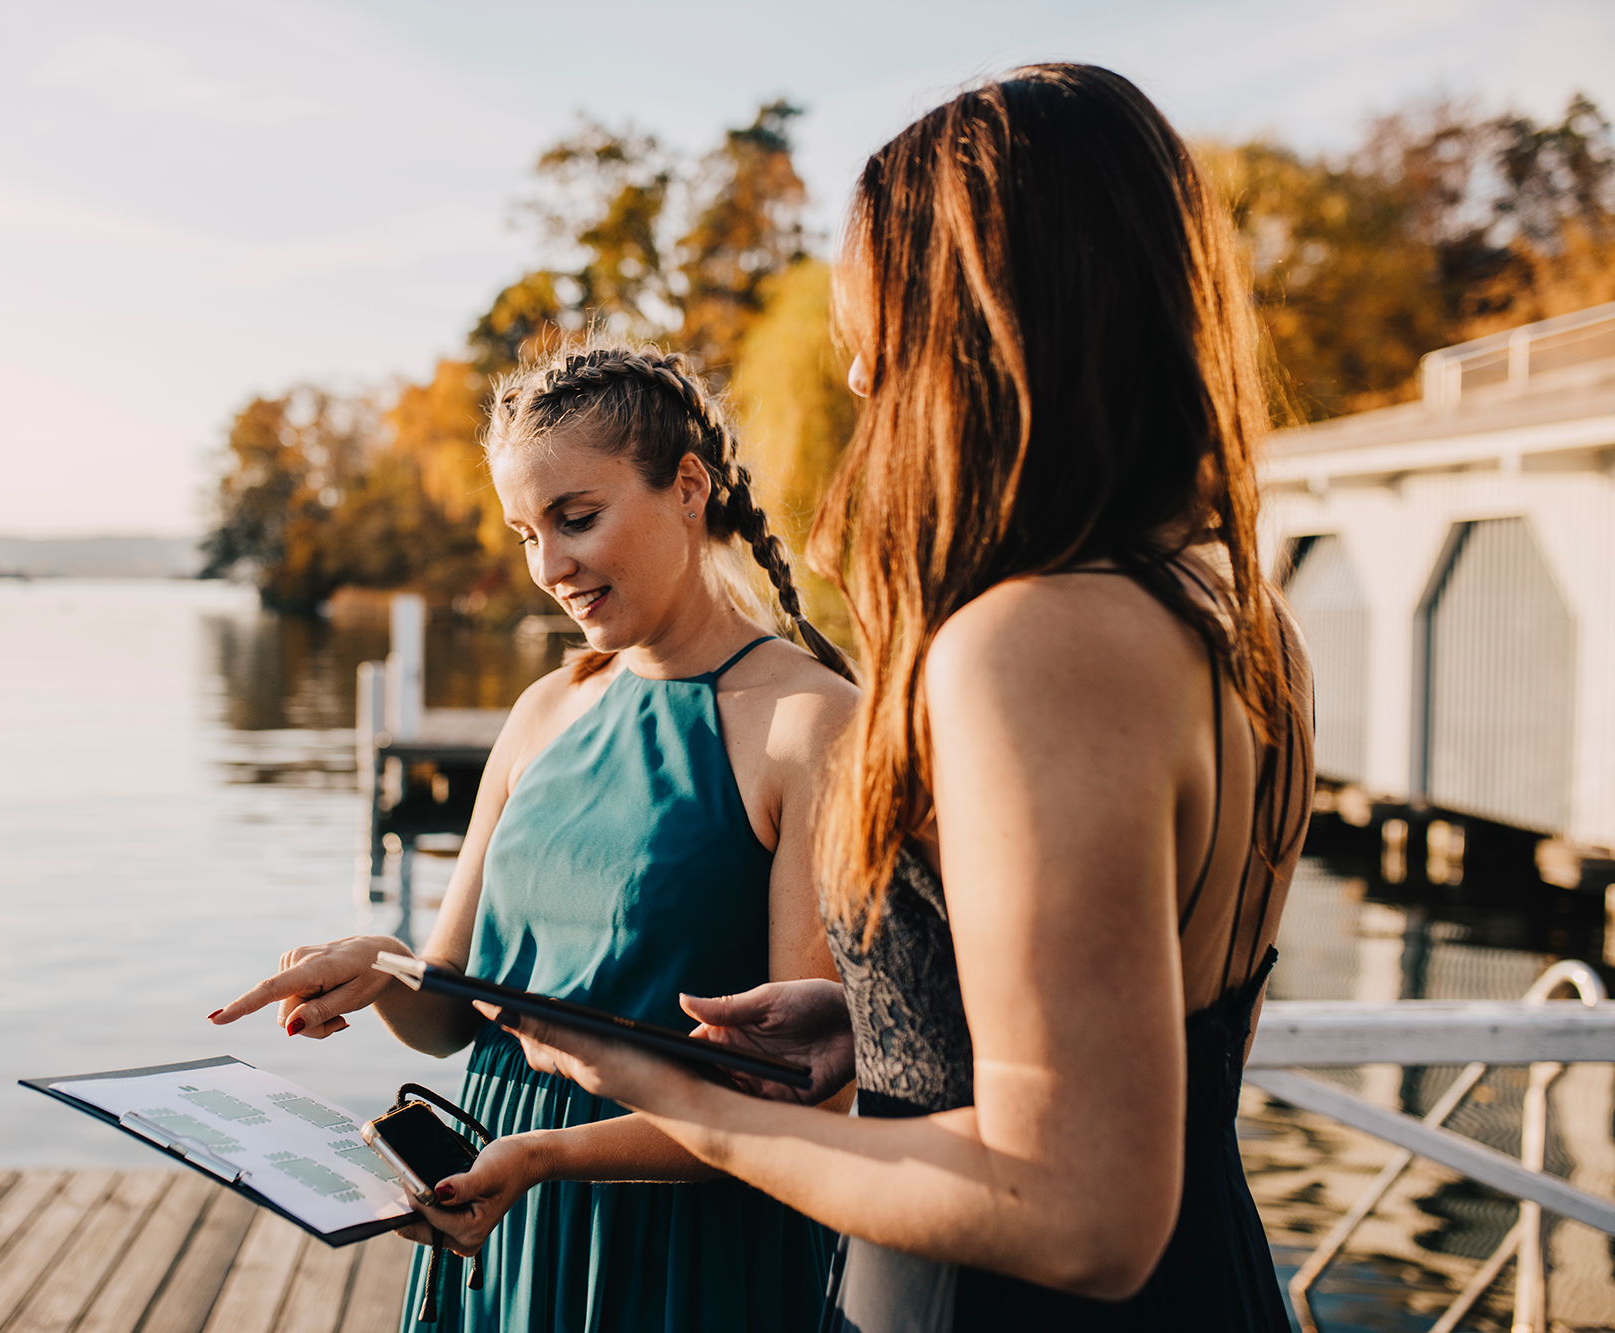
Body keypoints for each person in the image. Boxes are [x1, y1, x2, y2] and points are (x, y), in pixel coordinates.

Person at [467, 65, 1313, 1331]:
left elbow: (1078, 1209)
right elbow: (1153, 1043)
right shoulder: (1234, 614)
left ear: (989, 324)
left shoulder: (1030, 643)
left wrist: (680, 1095)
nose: (860, 383)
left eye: (877, 335)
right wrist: (875, 1015)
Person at [211, 338, 861, 1333]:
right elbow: (452, 1013)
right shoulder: (542, 712)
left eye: (576, 518)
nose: (548, 567)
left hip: (687, 1250)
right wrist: (382, 967)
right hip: (493, 1214)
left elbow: (798, 1107)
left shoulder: (811, 724)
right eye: (524, 533)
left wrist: (551, 1157)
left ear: (687, 487)